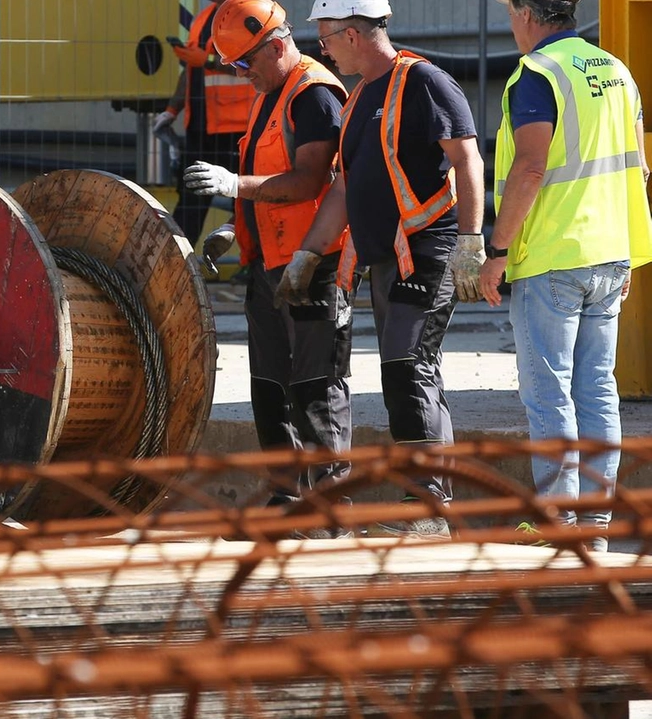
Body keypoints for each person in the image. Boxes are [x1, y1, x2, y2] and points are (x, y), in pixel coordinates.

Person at [275, 0, 486, 539]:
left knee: (406, 363)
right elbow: (345, 187)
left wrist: (470, 241)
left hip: (428, 251)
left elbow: (467, 159)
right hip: (386, 258)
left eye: (325, 37)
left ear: (353, 33)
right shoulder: (363, 95)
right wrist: (309, 254)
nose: (321, 48)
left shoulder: (425, 83)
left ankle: (430, 506)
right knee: (406, 368)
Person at [478, 0, 652, 553]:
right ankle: (594, 529)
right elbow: (640, 168)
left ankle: (560, 525)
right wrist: (622, 247)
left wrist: (497, 249)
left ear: (528, 14)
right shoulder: (615, 71)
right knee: (598, 390)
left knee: (549, 394)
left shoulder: (537, 74)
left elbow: (529, 167)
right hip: (610, 254)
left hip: (553, 256)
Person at [182, 0, 352, 537]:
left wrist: (235, 187)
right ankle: (287, 498)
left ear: (276, 45)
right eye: (234, 65)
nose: (241, 73)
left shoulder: (314, 94)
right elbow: (269, 176)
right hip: (269, 266)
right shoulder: (270, 95)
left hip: (313, 265)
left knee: (316, 390)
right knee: (270, 388)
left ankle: (329, 509)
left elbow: (309, 181)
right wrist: (236, 227)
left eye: (244, 63)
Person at [153, 0, 254, 250]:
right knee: (189, 203)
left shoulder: (249, 11)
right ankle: (174, 265)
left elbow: (252, 62)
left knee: (246, 205)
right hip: (202, 129)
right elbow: (191, 67)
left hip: (238, 129)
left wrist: (207, 60)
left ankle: (254, 265)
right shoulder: (204, 17)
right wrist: (171, 110)